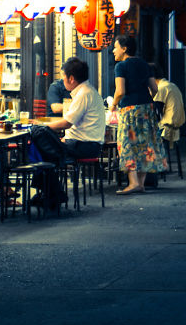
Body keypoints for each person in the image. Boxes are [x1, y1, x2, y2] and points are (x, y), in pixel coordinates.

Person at [33, 57, 106, 207]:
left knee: (42, 145)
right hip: (85, 144)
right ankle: (51, 194)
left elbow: (67, 123)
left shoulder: (84, 94)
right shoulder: (87, 91)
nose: (62, 80)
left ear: (71, 78)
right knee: (45, 150)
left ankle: (52, 194)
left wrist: (43, 127)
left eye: (63, 77)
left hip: (85, 146)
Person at [110, 36, 167, 195]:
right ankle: (141, 183)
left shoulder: (121, 66)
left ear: (124, 49)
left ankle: (133, 182)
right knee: (145, 144)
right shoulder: (144, 64)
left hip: (129, 110)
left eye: (115, 47)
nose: (113, 50)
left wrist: (113, 104)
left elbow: (120, 91)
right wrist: (145, 100)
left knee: (127, 144)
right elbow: (155, 89)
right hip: (147, 109)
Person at [151, 64, 186, 143]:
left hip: (164, 131)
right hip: (175, 131)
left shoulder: (160, 89)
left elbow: (155, 112)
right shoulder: (172, 85)